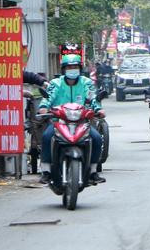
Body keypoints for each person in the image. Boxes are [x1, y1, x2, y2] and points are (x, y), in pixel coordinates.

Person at [37, 52, 105, 185]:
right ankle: (46, 171)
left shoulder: (87, 83)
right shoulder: (56, 83)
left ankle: (92, 171)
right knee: (46, 136)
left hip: (82, 122)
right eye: (69, 67)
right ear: (63, 69)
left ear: (80, 69)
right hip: (60, 122)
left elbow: (93, 98)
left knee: (96, 138)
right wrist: (44, 107)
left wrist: (98, 109)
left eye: (75, 67)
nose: (72, 70)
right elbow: (48, 97)